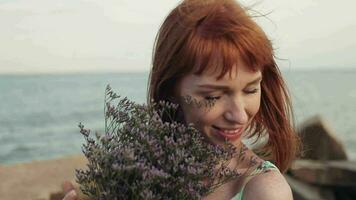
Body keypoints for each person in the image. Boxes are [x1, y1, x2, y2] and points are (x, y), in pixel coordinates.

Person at [63, 0, 299, 199]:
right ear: (170, 90)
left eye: (250, 90)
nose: (238, 115)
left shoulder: (264, 190)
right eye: (213, 96)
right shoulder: (138, 169)